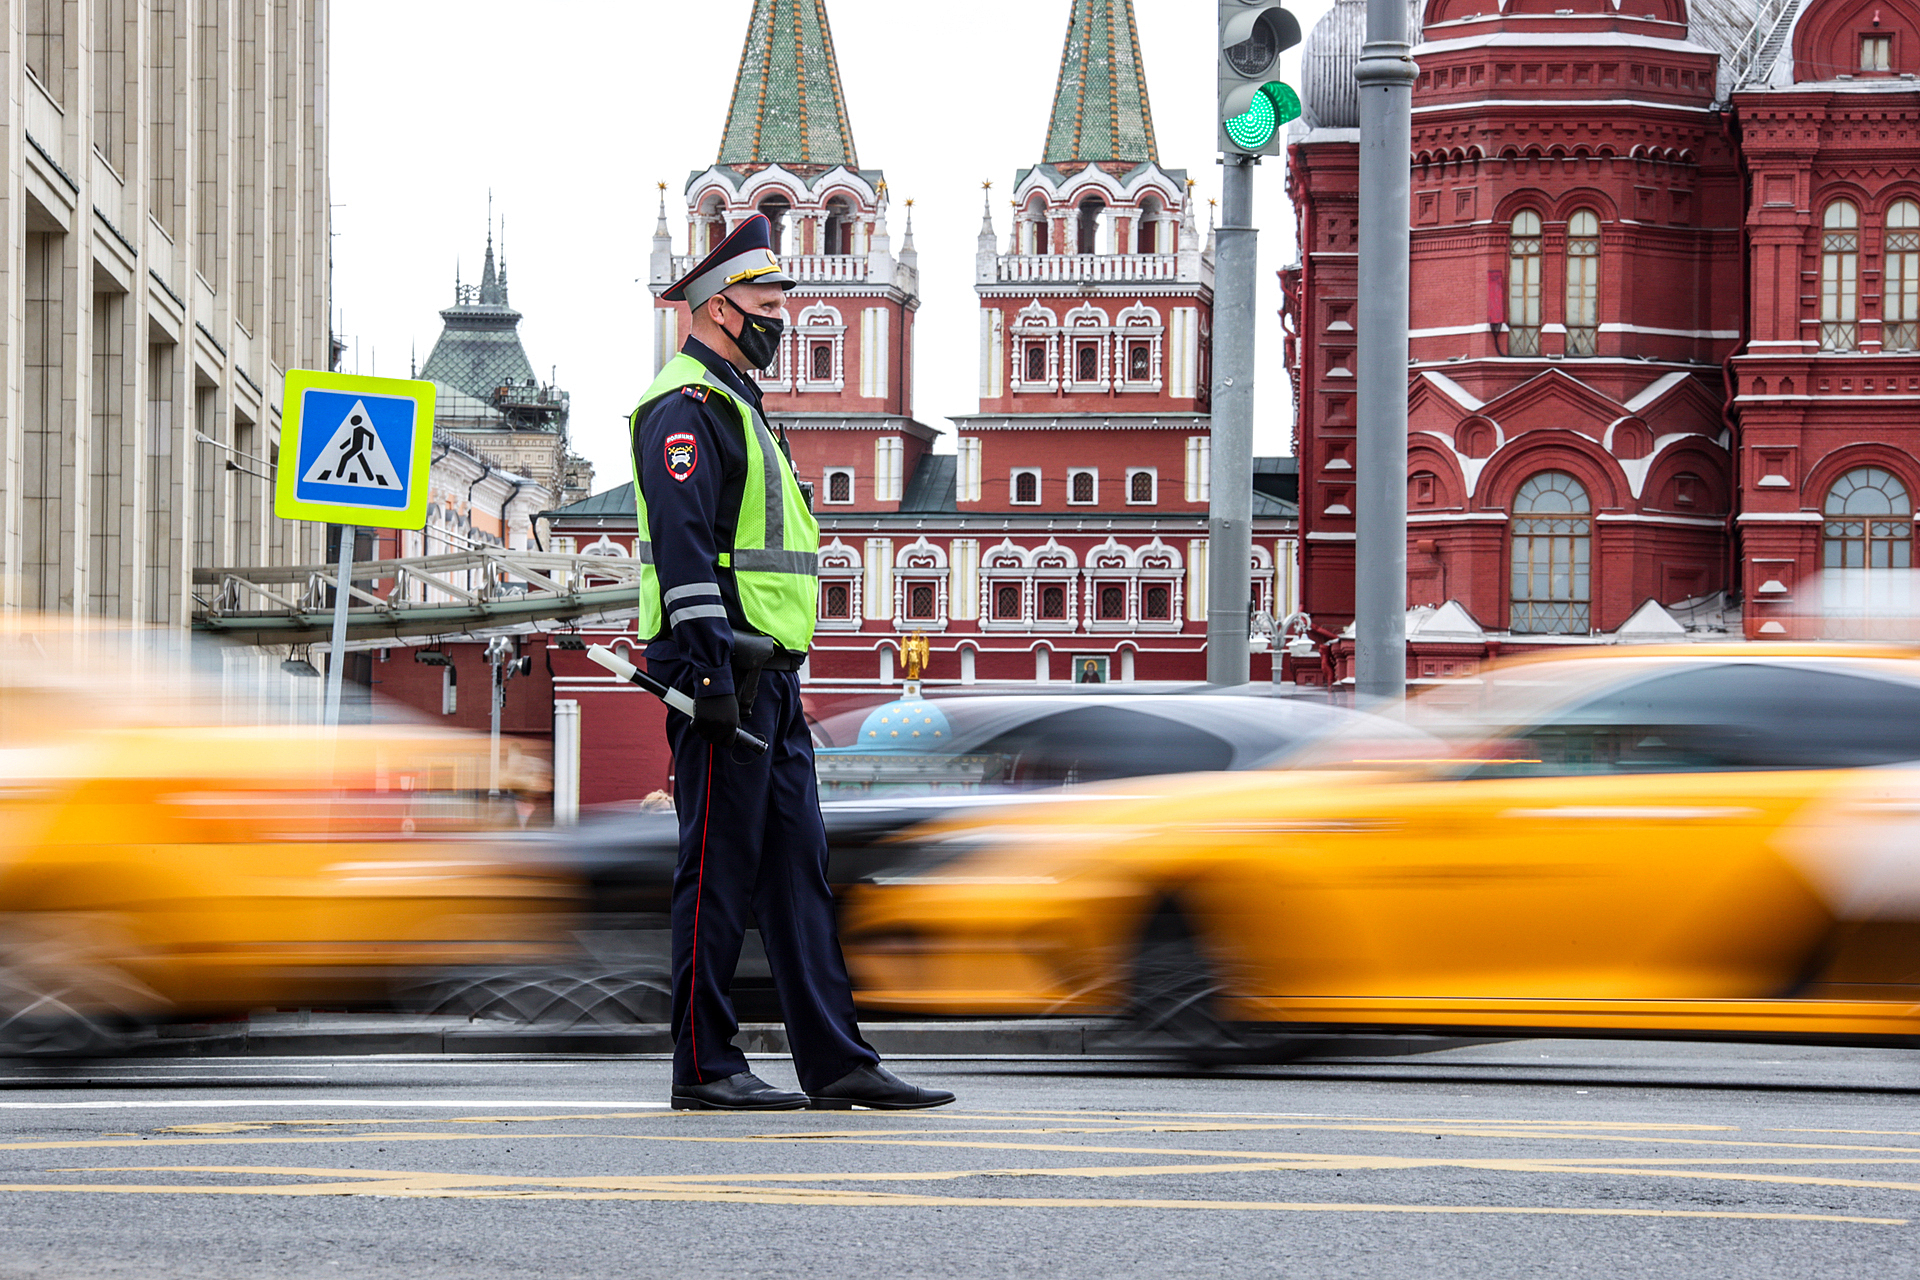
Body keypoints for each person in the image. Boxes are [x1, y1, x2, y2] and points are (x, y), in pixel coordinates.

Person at [630, 213, 954, 1113]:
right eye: (768, 302)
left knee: (798, 873)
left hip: (769, 681)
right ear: (719, 306)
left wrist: (767, 683)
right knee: (718, 874)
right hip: (719, 678)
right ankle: (703, 1065)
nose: (781, 317)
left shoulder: (740, 405)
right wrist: (711, 680)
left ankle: (836, 1059)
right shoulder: (684, 408)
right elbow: (687, 555)